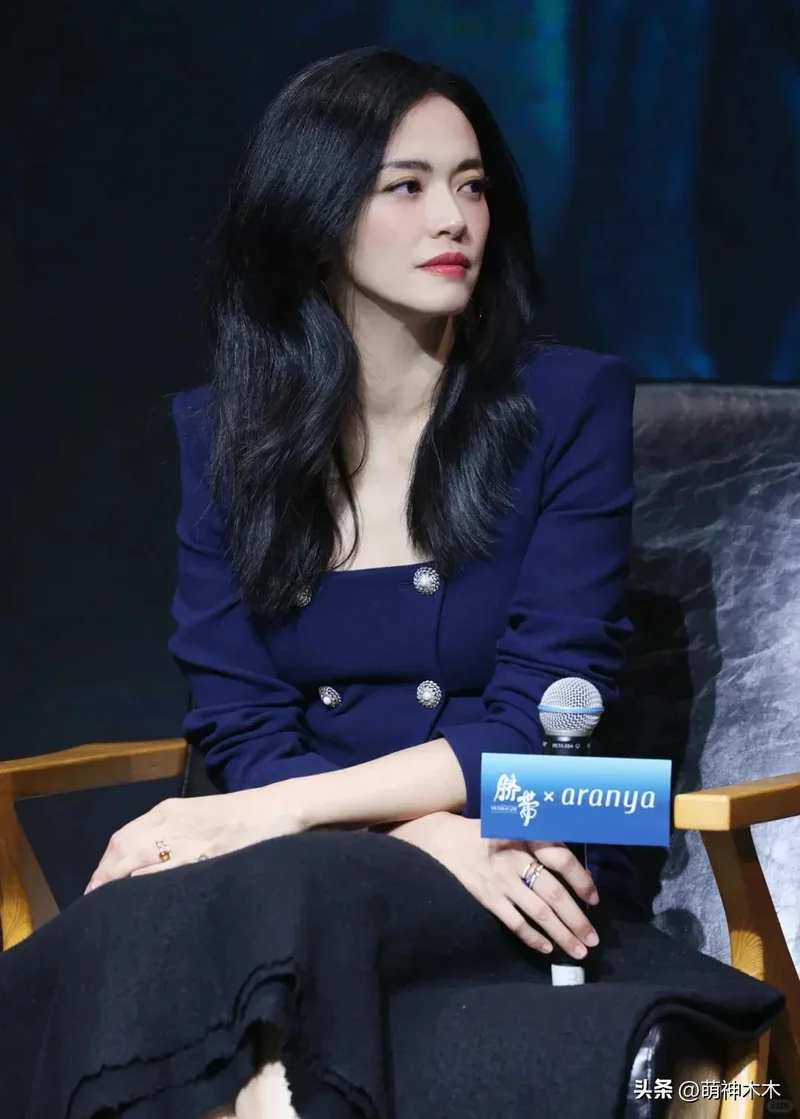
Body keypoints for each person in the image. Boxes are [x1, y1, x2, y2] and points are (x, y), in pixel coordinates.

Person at [0, 46, 782, 1119]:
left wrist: (271, 817)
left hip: (519, 838)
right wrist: (402, 837)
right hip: (324, 863)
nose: (453, 218)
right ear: (314, 213)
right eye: (405, 187)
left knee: (236, 899)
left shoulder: (566, 406)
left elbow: (539, 720)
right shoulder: (223, 439)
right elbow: (240, 719)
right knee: (159, 927)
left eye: (471, 185)